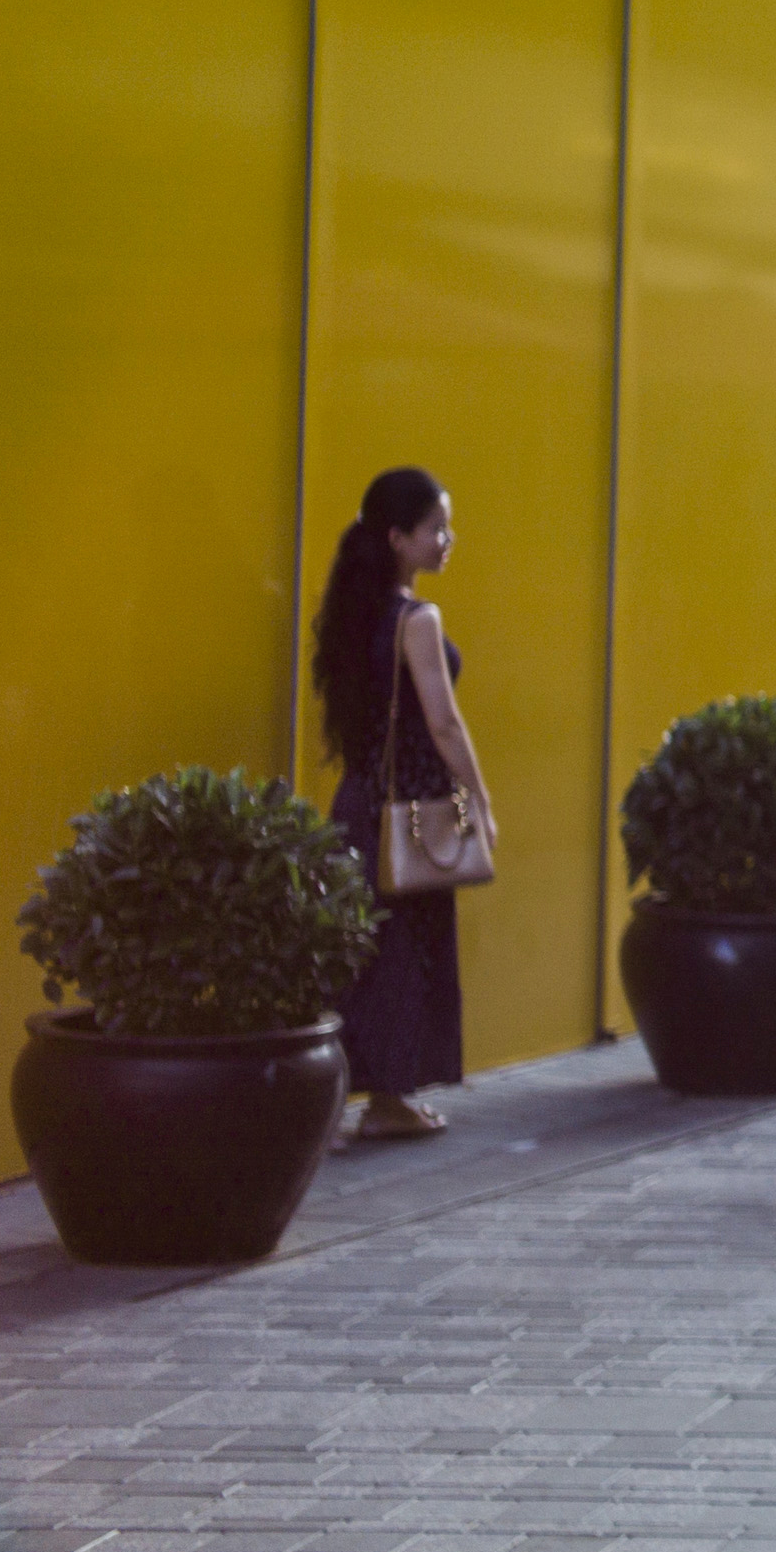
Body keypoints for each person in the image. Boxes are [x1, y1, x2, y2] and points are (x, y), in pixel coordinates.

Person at [312, 468, 496, 1145]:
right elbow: (444, 724)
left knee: (366, 951)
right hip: (411, 813)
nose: (448, 539)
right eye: (434, 528)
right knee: (405, 953)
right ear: (396, 538)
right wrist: (479, 796)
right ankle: (388, 1098)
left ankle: (366, 1094)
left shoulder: (355, 613)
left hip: (359, 804)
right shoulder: (417, 619)